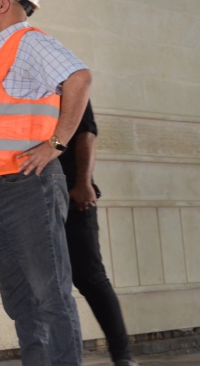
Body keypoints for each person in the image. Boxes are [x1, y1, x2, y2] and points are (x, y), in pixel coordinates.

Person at [0, 0, 91, 366]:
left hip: (28, 188)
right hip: (2, 192)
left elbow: (79, 79)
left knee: (49, 294)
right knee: (20, 299)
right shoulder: (1, 54)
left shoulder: (30, 43)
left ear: (2, 3)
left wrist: (56, 144)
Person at [60, 102, 138, 366]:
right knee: (47, 286)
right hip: (32, 198)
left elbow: (86, 134)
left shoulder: (69, 82)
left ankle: (123, 357)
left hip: (73, 194)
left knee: (90, 277)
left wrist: (83, 182)